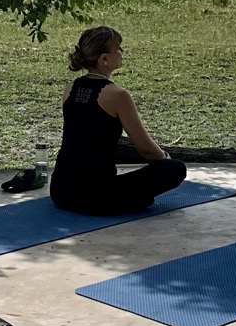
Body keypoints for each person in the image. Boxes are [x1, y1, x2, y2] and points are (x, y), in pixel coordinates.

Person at [50, 25, 187, 215]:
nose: (122, 52)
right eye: (118, 49)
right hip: (96, 197)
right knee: (175, 169)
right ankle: (130, 201)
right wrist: (165, 158)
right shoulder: (117, 95)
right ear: (104, 59)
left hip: (60, 191)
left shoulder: (71, 87)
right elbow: (146, 149)